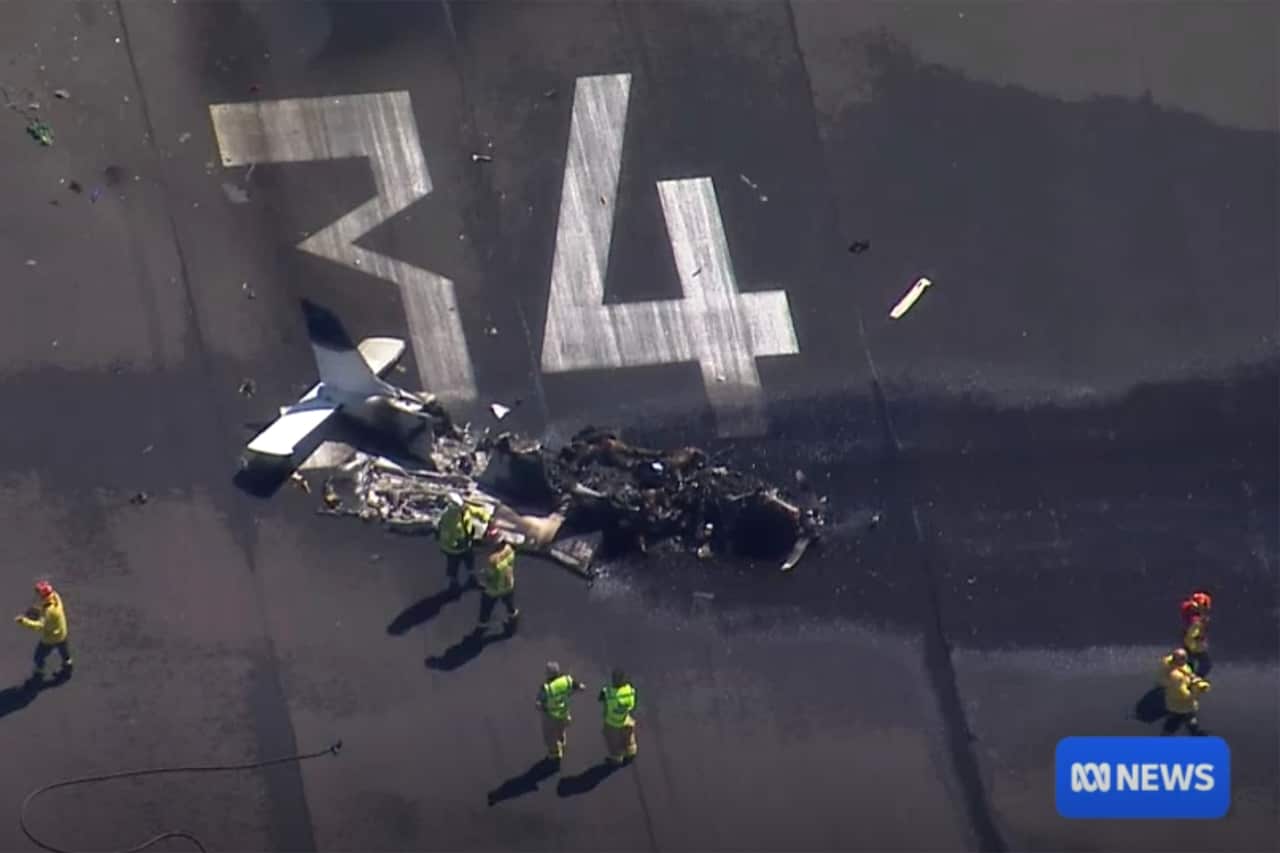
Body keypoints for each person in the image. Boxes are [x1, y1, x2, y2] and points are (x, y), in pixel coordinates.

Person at [16, 580, 72, 681]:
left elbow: (39, 626)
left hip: (50, 638)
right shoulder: (56, 598)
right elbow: (46, 605)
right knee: (64, 652)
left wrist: (23, 621)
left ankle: (39, 671)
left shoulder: (48, 612)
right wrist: (39, 609)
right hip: (62, 633)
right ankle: (68, 665)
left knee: (38, 656)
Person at [536, 661, 586, 761]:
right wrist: (575, 689)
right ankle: (562, 742)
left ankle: (555, 754)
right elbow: (580, 687)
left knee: (550, 736)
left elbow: (538, 704)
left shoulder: (546, 688)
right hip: (564, 714)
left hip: (551, 716)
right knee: (561, 729)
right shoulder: (566, 680)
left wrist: (541, 707)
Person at [475, 532, 519, 635]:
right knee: (509, 605)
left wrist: (483, 576)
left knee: (485, 608)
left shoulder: (493, 560)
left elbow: (489, 577)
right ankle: (513, 621)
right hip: (508, 585)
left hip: (493, 590)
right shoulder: (509, 551)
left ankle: (483, 625)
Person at [1159, 648, 1209, 735]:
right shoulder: (1176, 677)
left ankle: (1193, 729)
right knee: (1174, 722)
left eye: (1185, 656)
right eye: (1183, 657)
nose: (1186, 658)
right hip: (1179, 706)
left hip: (1177, 703)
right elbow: (1184, 695)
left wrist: (1196, 680)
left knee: (1189, 718)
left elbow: (1189, 674)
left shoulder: (1180, 665)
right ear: (1177, 660)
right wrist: (1197, 692)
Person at [438, 492, 481, 590]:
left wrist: (487, 517)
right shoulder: (447, 519)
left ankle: (471, 578)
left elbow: (477, 511)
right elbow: (446, 537)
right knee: (453, 566)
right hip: (453, 549)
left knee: (470, 561)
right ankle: (453, 584)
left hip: (466, 544)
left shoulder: (464, 510)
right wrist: (455, 544)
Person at [599, 668, 638, 764]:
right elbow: (631, 704)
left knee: (613, 743)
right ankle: (631, 752)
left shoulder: (608, 693)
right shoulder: (630, 690)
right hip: (626, 720)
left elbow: (600, 698)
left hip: (612, 723)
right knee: (629, 739)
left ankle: (616, 758)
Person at [1180, 591, 1212, 677]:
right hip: (1192, 645)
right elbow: (1192, 633)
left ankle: (1193, 678)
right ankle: (1192, 679)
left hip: (1194, 644)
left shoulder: (1195, 615)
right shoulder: (1194, 618)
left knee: (1200, 664)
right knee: (1200, 664)